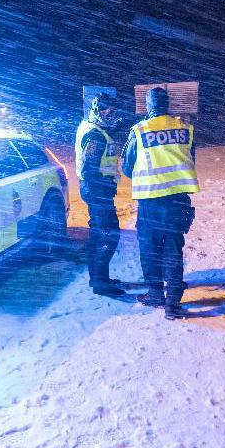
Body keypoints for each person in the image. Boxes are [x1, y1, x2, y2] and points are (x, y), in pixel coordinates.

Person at [120, 87, 199, 320]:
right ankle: (173, 304)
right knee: (174, 250)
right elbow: (189, 158)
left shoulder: (140, 130)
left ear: (148, 106)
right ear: (167, 104)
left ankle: (155, 294)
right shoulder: (185, 128)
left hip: (151, 200)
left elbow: (127, 167)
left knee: (150, 249)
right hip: (178, 200)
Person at [76, 93, 125, 298]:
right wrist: (104, 188)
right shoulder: (95, 135)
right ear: (98, 110)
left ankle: (97, 278)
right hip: (97, 191)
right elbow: (90, 168)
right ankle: (100, 282)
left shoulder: (94, 129)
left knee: (98, 233)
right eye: (108, 111)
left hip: (96, 190)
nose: (112, 115)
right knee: (109, 234)